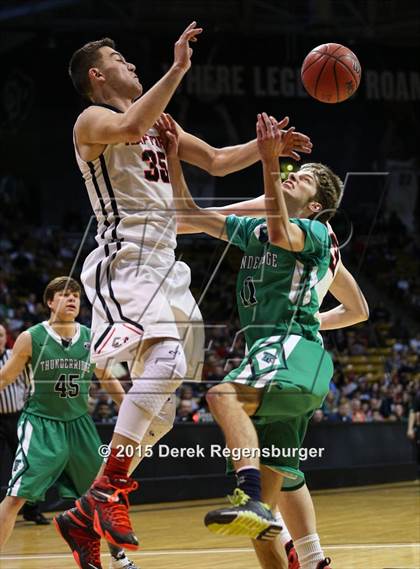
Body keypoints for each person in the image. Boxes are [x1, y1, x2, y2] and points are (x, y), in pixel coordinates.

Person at [56, 21, 313, 562]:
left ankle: (83, 514)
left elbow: (218, 159)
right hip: (125, 256)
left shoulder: (161, 124)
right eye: (119, 58)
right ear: (98, 75)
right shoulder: (94, 119)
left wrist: (268, 148)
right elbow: (130, 123)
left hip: (167, 265)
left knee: (166, 415)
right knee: (168, 362)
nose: (130, 62)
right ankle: (108, 490)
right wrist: (177, 68)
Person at [161, 111, 368, 569]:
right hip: (278, 357)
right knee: (261, 530)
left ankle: (248, 494)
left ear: (318, 206)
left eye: (307, 177)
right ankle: (287, 537)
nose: (297, 176)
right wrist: (175, 157)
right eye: (298, 171)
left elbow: (280, 228)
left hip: (293, 351)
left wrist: (271, 162)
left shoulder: (313, 232)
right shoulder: (254, 232)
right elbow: (187, 216)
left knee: (220, 394)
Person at [0, 277, 138, 569]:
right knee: (15, 498)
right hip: (41, 424)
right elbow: (4, 378)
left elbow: (108, 378)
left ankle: (118, 558)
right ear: (49, 302)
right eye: (64, 295)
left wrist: (132, 412)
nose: (72, 299)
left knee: (105, 495)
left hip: (79, 425)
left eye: (75, 295)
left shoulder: (93, 337)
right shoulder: (30, 337)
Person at [0, 323, 49, 526]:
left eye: (1, 335)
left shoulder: (15, 355)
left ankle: (32, 510)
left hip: (17, 418)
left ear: (6, 337)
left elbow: (30, 384)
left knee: (26, 466)